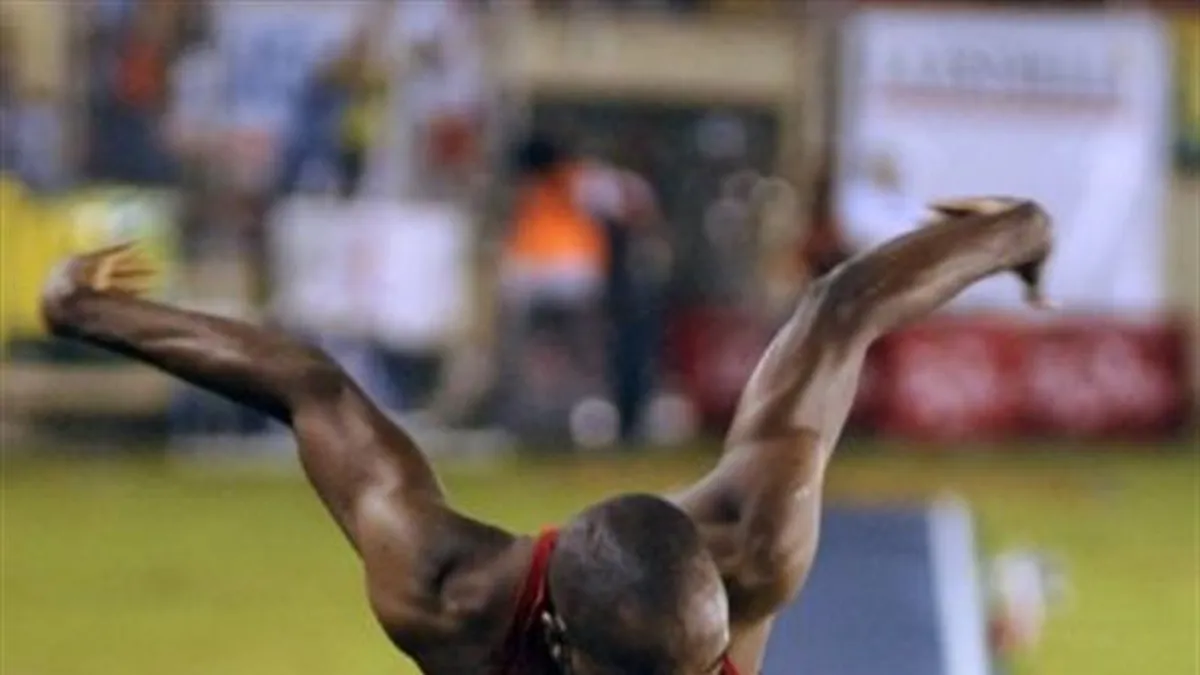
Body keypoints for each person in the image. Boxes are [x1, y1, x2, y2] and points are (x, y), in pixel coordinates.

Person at [39, 196, 1052, 674]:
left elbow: (841, 309)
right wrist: (89, 312)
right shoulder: (447, 597)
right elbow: (312, 390)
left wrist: (1018, 232)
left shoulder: (755, 546)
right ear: (558, 642)